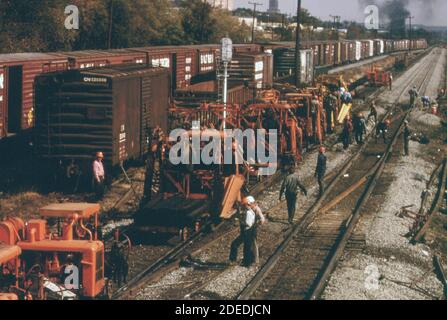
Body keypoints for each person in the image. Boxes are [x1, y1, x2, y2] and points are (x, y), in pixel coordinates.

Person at [229, 196, 265, 267]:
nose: (244, 206)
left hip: (251, 230)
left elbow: (262, 219)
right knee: (243, 245)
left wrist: (255, 225)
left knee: (252, 245)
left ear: (250, 203)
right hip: (245, 230)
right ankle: (240, 261)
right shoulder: (246, 209)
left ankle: (254, 261)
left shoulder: (256, 209)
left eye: (246, 204)